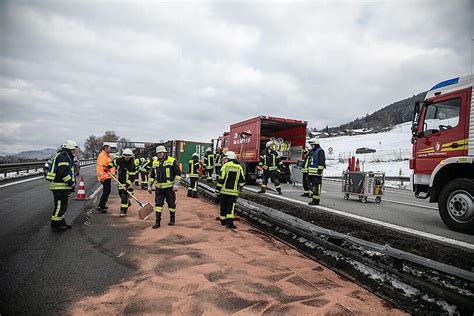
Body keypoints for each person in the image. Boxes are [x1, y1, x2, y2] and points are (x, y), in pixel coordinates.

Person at [45, 140, 78, 230]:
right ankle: (55, 224)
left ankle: (61, 222)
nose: (74, 151)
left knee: (63, 205)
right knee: (60, 205)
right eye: (73, 149)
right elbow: (63, 172)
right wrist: (70, 183)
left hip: (61, 186)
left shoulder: (64, 155)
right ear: (69, 149)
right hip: (59, 186)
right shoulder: (64, 157)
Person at [148, 145, 181, 229]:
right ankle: (157, 222)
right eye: (158, 153)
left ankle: (172, 218)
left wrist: (176, 184)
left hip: (169, 188)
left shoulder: (172, 161)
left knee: (171, 204)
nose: (160, 154)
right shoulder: (155, 162)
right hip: (159, 188)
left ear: (165, 153)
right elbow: (152, 175)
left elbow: (178, 174)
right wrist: (149, 185)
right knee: (158, 205)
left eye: (161, 152)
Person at [215, 151, 245, 229]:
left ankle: (223, 221)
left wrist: (217, 190)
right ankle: (229, 223)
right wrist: (241, 188)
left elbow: (221, 179)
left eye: (226, 158)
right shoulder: (239, 167)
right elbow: (242, 180)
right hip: (233, 192)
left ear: (229, 159)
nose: (224, 160)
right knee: (231, 208)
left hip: (223, 191)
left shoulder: (225, 166)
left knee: (223, 206)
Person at [106, 149, 136, 216]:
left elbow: (132, 178)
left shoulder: (132, 165)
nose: (127, 158)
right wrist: (108, 167)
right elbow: (113, 162)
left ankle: (123, 210)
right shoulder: (120, 160)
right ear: (123, 156)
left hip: (127, 182)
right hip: (120, 181)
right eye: (125, 156)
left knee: (124, 195)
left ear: (131, 156)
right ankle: (127, 202)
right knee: (120, 194)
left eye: (128, 156)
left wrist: (127, 184)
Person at [96, 144, 115, 213]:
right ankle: (100, 206)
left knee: (107, 191)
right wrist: (102, 177)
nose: (110, 150)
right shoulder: (102, 156)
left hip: (108, 176)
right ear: (105, 149)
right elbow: (101, 168)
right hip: (105, 177)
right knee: (106, 192)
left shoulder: (106, 156)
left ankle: (102, 205)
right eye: (109, 149)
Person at [307, 138, 326, 205]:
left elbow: (321, 161)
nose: (311, 146)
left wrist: (319, 170)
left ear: (316, 144)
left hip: (317, 173)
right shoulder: (312, 151)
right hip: (311, 173)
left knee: (317, 187)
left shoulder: (320, 151)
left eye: (312, 145)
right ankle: (314, 199)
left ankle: (316, 200)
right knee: (313, 186)